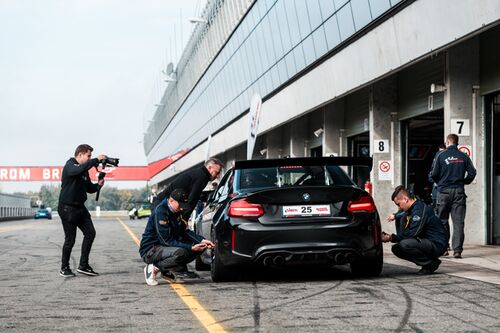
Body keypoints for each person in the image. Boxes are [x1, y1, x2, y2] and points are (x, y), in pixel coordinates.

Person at [139, 188, 215, 285]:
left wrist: (202, 240)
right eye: (180, 205)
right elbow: (165, 240)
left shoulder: (176, 211)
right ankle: (153, 268)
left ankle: (165, 272)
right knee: (181, 252)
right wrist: (190, 247)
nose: (182, 208)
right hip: (151, 250)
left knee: (200, 248)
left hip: (165, 248)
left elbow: (184, 231)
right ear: (171, 201)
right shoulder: (161, 212)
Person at [58, 144, 106, 278]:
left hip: (80, 208)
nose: (90, 158)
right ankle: (64, 267)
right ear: (80, 155)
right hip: (67, 208)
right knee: (70, 240)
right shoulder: (70, 166)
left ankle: (83, 265)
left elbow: (89, 188)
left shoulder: (84, 170)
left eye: (91, 156)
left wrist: (98, 185)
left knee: (90, 233)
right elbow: (78, 170)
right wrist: (96, 160)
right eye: (88, 155)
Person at [382, 185, 448, 275]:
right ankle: (429, 262)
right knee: (397, 248)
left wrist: (391, 237)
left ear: (405, 199)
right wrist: (395, 217)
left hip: (437, 244)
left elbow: (412, 234)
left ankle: (430, 264)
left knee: (404, 244)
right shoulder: (411, 209)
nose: (399, 207)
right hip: (426, 242)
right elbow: (402, 217)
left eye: (398, 204)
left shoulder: (419, 210)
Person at [431, 134, 476, 259]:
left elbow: (433, 173)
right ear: (457, 143)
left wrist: (440, 182)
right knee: (458, 222)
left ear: (447, 142)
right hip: (459, 192)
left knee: (442, 221)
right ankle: (457, 250)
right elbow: (472, 172)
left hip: (443, 192)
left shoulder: (440, 155)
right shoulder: (464, 156)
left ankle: (444, 248)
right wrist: (464, 181)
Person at [152, 158, 224, 218]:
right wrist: (184, 219)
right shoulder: (202, 177)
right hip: (163, 205)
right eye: (217, 172)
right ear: (209, 167)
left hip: (162, 203)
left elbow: (192, 193)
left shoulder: (199, 173)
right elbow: (192, 200)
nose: (217, 176)